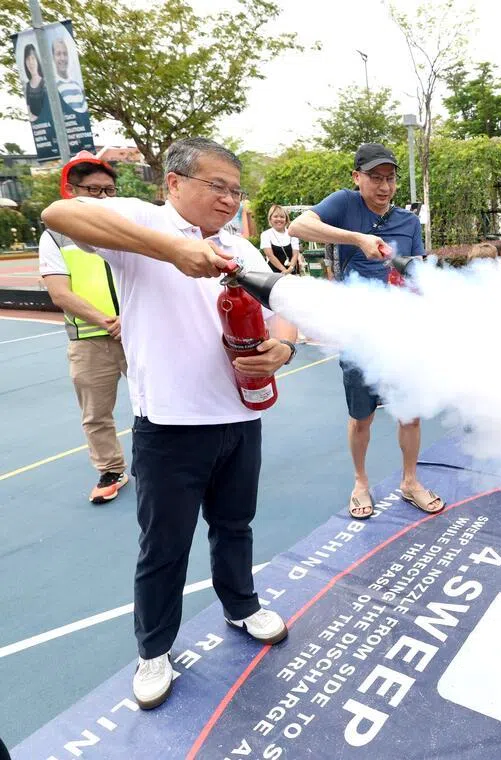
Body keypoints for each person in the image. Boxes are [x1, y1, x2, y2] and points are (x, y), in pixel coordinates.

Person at [41, 137, 297, 710]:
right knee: (164, 546)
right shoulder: (140, 224)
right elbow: (58, 213)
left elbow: (285, 317)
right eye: (217, 186)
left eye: (236, 189)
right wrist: (172, 250)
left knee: (235, 525)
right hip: (170, 424)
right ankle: (154, 650)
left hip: (240, 415)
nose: (229, 199)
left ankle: (242, 605)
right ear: (174, 184)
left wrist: (281, 351)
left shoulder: (241, 247)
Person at [288, 143, 445, 518]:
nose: (384, 186)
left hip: (400, 335)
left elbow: (416, 272)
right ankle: (361, 482)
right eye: (375, 178)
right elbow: (298, 226)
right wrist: (356, 238)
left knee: (410, 412)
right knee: (362, 416)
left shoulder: (408, 223)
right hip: (357, 335)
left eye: (390, 179)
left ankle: (410, 481)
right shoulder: (344, 204)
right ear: (357, 177)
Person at [39, 153, 129, 503]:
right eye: (93, 190)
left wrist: (133, 320)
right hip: (91, 341)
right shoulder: (56, 236)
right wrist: (109, 321)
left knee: (158, 403)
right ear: (71, 191)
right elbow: (60, 293)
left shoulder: (129, 228)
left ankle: (166, 465)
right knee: (96, 415)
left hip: (139, 333)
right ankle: (111, 469)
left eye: (109, 190)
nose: (103, 198)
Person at [51, 35, 88, 116]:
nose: (62, 58)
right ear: (53, 57)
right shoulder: (52, 87)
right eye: (58, 54)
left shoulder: (77, 86)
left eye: (65, 54)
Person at [260, 204, 302, 273]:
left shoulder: (292, 233)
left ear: (286, 219)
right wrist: (284, 270)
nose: (279, 219)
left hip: (292, 271)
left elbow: (295, 254)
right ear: (270, 218)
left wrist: (290, 268)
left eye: (282, 217)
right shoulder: (265, 235)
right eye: (275, 216)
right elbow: (270, 256)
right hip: (274, 273)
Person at [23, 43, 46, 119]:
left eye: (33, 58)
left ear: (37, 61)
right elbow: (28, 108)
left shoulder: (45, 83)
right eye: (28, 59)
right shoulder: (27, 86)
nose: (31, 62)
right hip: (38, 127)